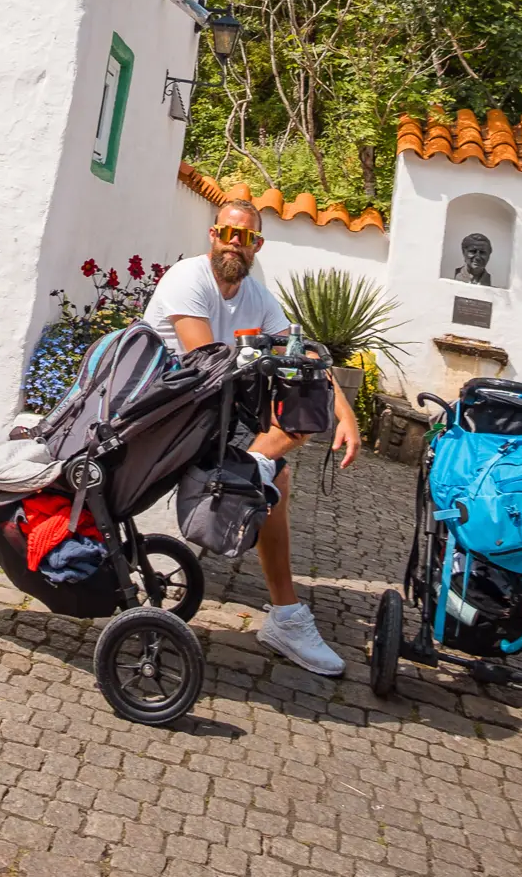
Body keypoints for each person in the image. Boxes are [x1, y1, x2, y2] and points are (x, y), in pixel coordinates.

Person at [144, 199, 361, 676]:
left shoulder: (258, 297)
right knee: (275, 471)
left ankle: (285, 616)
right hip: (162, 412)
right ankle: (254, 472)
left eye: (247, 238)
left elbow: (300, 357)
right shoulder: (188, 279)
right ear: (213, 235)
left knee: (292, 438)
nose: (236, 244)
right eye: (229, 233)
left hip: (210, 414)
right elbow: (209, 363)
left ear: (257, 246)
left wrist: (344, 413)